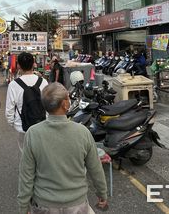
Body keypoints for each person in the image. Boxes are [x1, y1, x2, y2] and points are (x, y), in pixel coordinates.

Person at [17, 83, 108, 213]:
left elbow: (26, 175)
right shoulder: (82, 132)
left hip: (44, 205)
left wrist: (23, 206)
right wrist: (102, 193)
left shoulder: (33, 133)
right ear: (65, 104)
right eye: (68, 98)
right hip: (77, 204)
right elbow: (95, 168)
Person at [5, 52, 48, 151]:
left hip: (22, 127)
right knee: (41, 154)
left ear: (18, 65)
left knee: (25, 156)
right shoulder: (43, 82)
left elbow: (9, 110)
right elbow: (48, 105)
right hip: (41, 125)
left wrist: (14, 123)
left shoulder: (13, 84)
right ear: (34, 64)